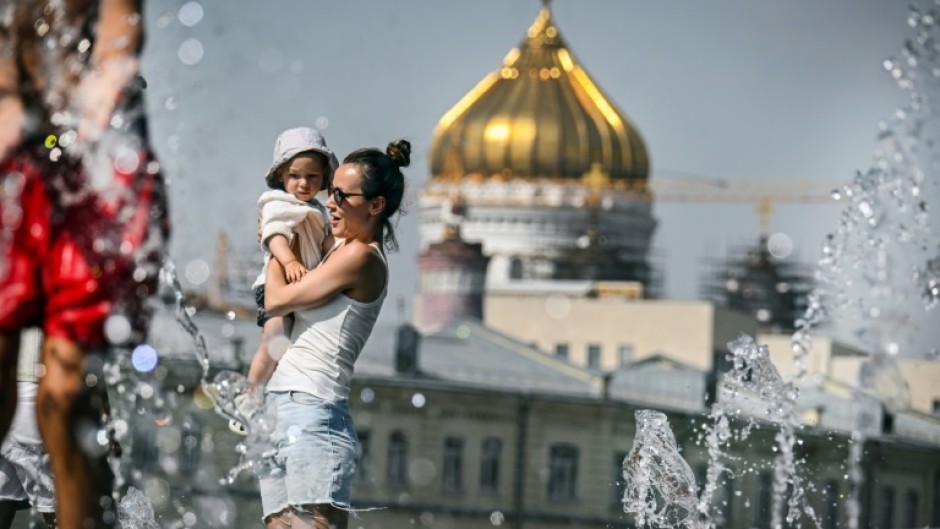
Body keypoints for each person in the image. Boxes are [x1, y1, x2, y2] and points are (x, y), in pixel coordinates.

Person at [0, 1, 169, 528]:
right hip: (19, 146)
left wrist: (95, 108)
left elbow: (121, 39)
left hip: (100, 159)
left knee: (66, 396)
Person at [256, 140, 409, 529]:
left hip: (315, 409)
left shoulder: (362, 258)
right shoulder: (336, 248)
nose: (330, 202)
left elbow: (275, 300)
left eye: (342, 195)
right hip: (279, 405)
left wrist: (275, 242)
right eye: (330, 191)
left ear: (376, 206)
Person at [240, 127, 338, 425]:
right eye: (295, 176)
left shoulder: (319, 210)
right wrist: (290, 260)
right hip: (280, 282)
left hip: (304, 287)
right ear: (282, 175)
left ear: (323, 179)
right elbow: (274, 236)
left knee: (292, 349)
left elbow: (326, 244)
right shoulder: (278, 203)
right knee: (274, 338)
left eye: (312, 177)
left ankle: (271, 396)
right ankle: (250, 393)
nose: (304, 183)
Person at [0, 329, 56, 529]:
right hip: (29, 393)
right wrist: (106, 416)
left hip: (9, 391)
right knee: (57, 503)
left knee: (3, 496)